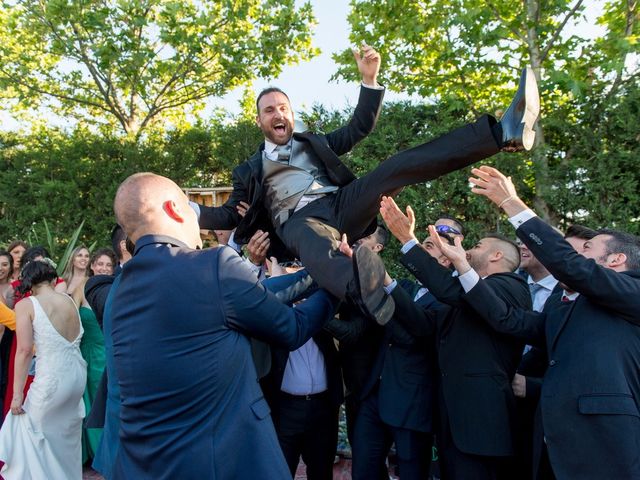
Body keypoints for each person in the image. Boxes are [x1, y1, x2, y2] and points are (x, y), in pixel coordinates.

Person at [195, 45, 540, 325]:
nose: (278, 114)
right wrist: (187, 210)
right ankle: (368, 290)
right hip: (299, 221)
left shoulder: (315, 143)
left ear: (291, 113)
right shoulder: (249, 170)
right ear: (260, 120)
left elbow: (359, 127)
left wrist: (369, 79)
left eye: (283, 108)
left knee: (396, 167)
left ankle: (503, 134)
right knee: (314, 244)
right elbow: (227, 214)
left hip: (341, 203)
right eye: (269, 110)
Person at [109, 172, 338, 479]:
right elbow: (292, 328)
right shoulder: (212, 265)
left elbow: (253, 296)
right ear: (175, 210)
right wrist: (338, 283)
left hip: (145, 465)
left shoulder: (120, 289)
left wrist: (314, 273)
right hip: (221, 462)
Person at [435, 165, 640, 480]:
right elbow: (508, 319)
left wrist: (511, 203)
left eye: (586, 248)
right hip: (550, 443)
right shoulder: (563, 304)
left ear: (616, 260)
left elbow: (572, 267)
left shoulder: (632, 291)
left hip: (602, 445)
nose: (574, 255)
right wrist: (463, 263)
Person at [378, 196, 532, 480]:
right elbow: (424, 324)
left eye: (477, 246)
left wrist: (407, 239)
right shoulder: (465, 293)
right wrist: (385, 282)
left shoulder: (511, 286)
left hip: (481, 425)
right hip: (452, 421)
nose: (469, 250)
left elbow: (453, 291)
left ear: (497, 256)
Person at [0, 259, 86, 479]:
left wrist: (17, 394)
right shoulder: (68, 300)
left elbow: (25, 350)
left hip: (52, 380)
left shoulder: (26, 305)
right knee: (64, 439)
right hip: (76, 377)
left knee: (28, 432)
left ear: (29, 282)